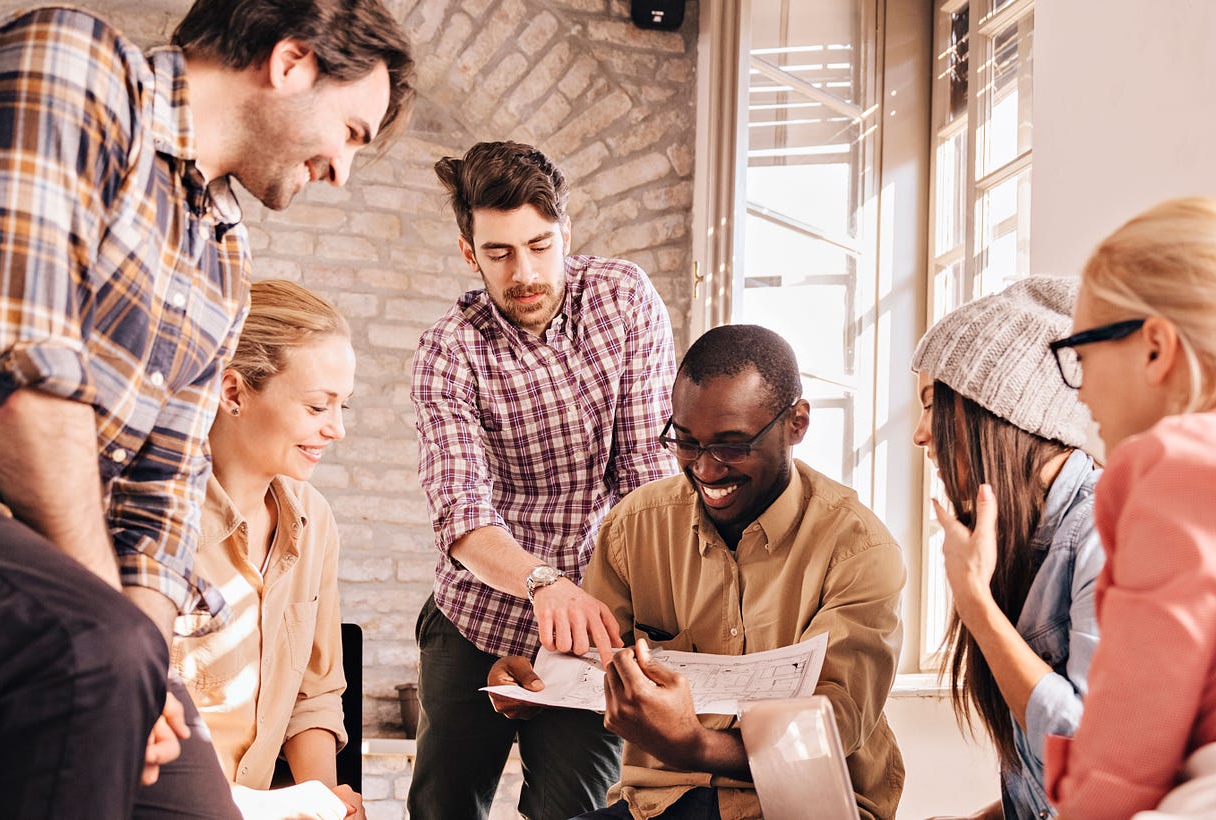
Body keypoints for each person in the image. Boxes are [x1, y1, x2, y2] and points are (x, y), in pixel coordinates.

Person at [0, 1, 412, 817]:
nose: (343, 168)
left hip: (6, 536)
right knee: (100, 648)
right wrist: (116, 637)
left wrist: (150, 672)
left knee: (187, 793)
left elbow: (157, 498)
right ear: (292, 63)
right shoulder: (72, 68)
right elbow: (21, 377)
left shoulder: (222, 258)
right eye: (353, 132)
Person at [489, 324, 907, 820]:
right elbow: (592, 663)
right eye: (686, 443)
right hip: (659, 804)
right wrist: (537, 685)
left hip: (804, 806)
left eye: (732, 446)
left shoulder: (860, 549)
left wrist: (694, 744)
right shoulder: (633, 526)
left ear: (796, 423)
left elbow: (832, 729)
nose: (706, 471)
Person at [409, 140, 678, 819]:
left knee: (577, 812)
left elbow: (647, 479)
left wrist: (623, 616)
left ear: (567, 233)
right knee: (442, 809)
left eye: (539, 245)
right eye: (499, 253)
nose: (524, 272)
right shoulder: (449, 351)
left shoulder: (623, 301)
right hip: (476, 616)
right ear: (469, 253)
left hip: (594, 621)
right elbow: (463, 517)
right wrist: (540, 583)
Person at [1042, 197, 1216, 818]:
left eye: (1081, 354)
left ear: (1154, 347)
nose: (1081, 387)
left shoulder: (1189, 461)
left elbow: (1138, 715)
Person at [909, 277, 1103, 820]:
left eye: (932, 405)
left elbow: (1085, 759)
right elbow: (1041, 790)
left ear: (996, 410)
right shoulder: (1023, 538)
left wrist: (977, 604)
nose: (921, 435)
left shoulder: (1107, 531)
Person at [172, 280, 361, 819]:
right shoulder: (156, 515)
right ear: (234, 393)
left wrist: (324, 803)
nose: (337, 429)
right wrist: (279, 808)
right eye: (318, 405)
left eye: (343, 405)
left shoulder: (315, 520)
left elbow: (314, 693)